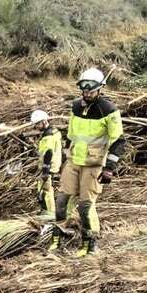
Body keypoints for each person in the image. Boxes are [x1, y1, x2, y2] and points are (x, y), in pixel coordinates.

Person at [52, 68, 125, 257]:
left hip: (93, 165)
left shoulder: (109, 110)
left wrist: (109, 168)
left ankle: (90, 244)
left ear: (100, 89)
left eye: (91, 91)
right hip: (74, 161)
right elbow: (70, 136)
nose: (87, 94)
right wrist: (63, 160)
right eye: (84, 91)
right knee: (61, 202)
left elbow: (118, 141)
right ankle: (58, 238)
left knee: (85, 207)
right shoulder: (76, 107)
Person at [31, 109, 62, 218]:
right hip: (54, 165)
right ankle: (47, 212)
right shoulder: (55, 131)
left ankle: (49, 214)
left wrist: (45, 170)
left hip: (49, 168)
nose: (36, 127)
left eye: (37, 124)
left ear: (44, 121)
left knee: (46, 191)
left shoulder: (48, 136)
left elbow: (48, 153)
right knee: (45, 190)